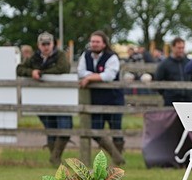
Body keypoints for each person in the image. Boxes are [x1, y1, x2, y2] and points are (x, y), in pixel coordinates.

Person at [17, 31, 73, 165]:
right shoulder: (35, 57)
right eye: (43, 44)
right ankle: (55, 160)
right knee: (50, 128)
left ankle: (55, 157)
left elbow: (63, 68)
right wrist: (31, 72)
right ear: (39, 45)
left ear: (53, 44)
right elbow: (19, 69)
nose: (46, 47)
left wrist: (41, 73)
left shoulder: (60, 55)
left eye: (48, 44)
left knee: (65, 128)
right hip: (42, 99)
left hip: (62, 99)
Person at [77, 30, 126, 165]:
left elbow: (109, 76)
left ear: (104, 44)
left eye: (97, 42)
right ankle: (117, 157)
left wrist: (89, 78)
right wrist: (95, 76)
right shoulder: (85, 55)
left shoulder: (112, 57)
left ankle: (117, 162)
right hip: (95, 101)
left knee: (116, 130)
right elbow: (80, 72)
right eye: (92, 41)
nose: (94, 44)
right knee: (95, 130)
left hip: (113, 100)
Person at [153, 37, 190, 107]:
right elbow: (158, 80)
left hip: (187, 101)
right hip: (171, 101)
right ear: (172, 47)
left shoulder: (188, 63)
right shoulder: (164, 64)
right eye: (179, 48)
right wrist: (166, 94)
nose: (181, 50)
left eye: (182, 48)